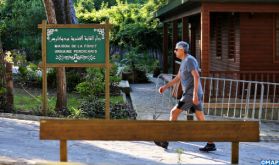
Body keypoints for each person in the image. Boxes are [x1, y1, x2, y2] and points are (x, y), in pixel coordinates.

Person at [154, 41, 216, 152]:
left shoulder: (189, 60)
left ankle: (165, 140)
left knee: (174, 112)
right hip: (191, 94)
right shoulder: (184, 61)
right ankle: (211, 143)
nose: (175, 51)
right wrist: (165, 87)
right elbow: (178, 77)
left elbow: (196, 76)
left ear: (182, 50)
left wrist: (195, 94)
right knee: (201, 119)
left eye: (176, 49)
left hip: (190, 95)